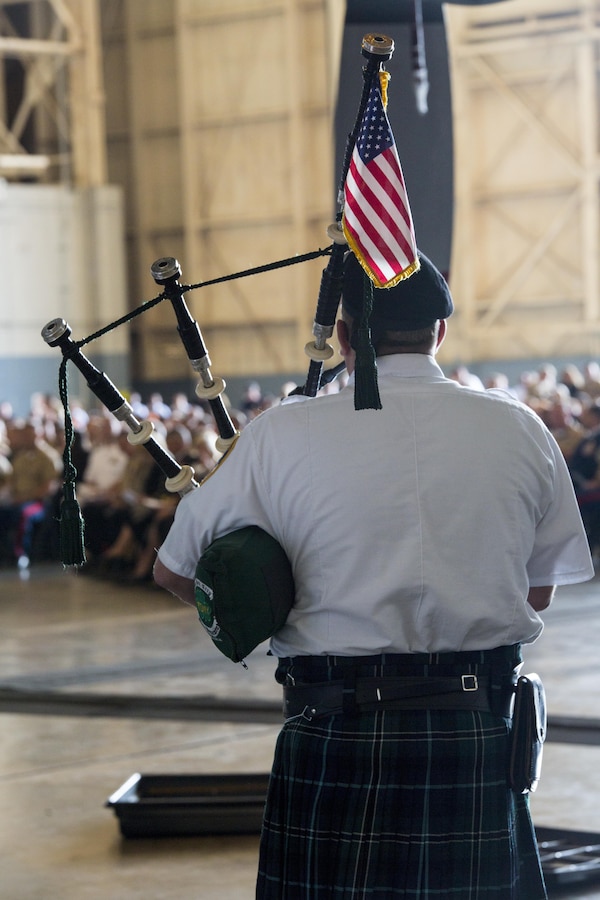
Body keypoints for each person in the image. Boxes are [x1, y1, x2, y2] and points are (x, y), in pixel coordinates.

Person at [154, 251, 594, 899]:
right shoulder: (520, 429)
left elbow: (175, 570)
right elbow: (540, 589)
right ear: (440, 332)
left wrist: (268, 599)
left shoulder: (279, 434)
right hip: (475, 729)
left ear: (341, 333)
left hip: (334, 729)